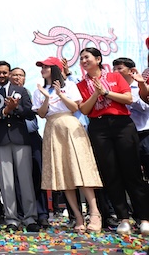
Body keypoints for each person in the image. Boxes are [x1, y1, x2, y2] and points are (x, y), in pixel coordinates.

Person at [77, 47, 149, 235]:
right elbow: (85, 110)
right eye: (81, 58)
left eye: (87, 57)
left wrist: (106, 92)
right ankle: (123, 218)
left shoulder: (114, 76)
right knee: (111, 173)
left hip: (122, 125)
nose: (83, 61)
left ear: (98, 59)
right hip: (98, 127)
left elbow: (128, 98)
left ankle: (144, 217)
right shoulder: (82, 84)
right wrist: (96, 93)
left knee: (132, 171)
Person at [32, 57, 103, 233]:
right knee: (64, 174)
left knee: (81, 169)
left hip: (70, 126)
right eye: (42, 67)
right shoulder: (39, 90)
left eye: (46, 67)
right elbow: (41, 114)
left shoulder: (69, 85)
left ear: (55, 69)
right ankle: (78, 217)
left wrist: (60, 94)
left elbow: (74, 108)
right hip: (52, 128)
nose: (43, 69)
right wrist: (46, 98)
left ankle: (95, 213)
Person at [0, 61, 39, 232]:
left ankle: (30, 217)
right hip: (0, 141)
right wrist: (4, 111)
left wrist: (16, 108)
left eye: (5, 72)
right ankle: (11, 218)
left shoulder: (21, 91)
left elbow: (29, 113)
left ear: (9, 74)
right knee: (6, 182)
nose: (2, 75)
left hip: (20, 139)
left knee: (26, 179)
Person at [9, 67, 49, 228]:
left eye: (20, 75)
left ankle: (42, 214)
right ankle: (22, 214)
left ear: (24, 78)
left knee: (38, 175)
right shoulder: (5, 95)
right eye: (14, 75)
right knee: (19, 178)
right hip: (16, 138)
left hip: (32, 137)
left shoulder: (31, 93)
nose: (17, 78)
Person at [112, 58, 149, 181]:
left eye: (119, 68)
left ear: (131, 71)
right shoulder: (113, 90)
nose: (115, 72)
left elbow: (145, 108)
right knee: (133, 171)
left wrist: (128, 99)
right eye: (114, 69)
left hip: (144, 133)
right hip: (125, 135)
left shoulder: (140, 86)